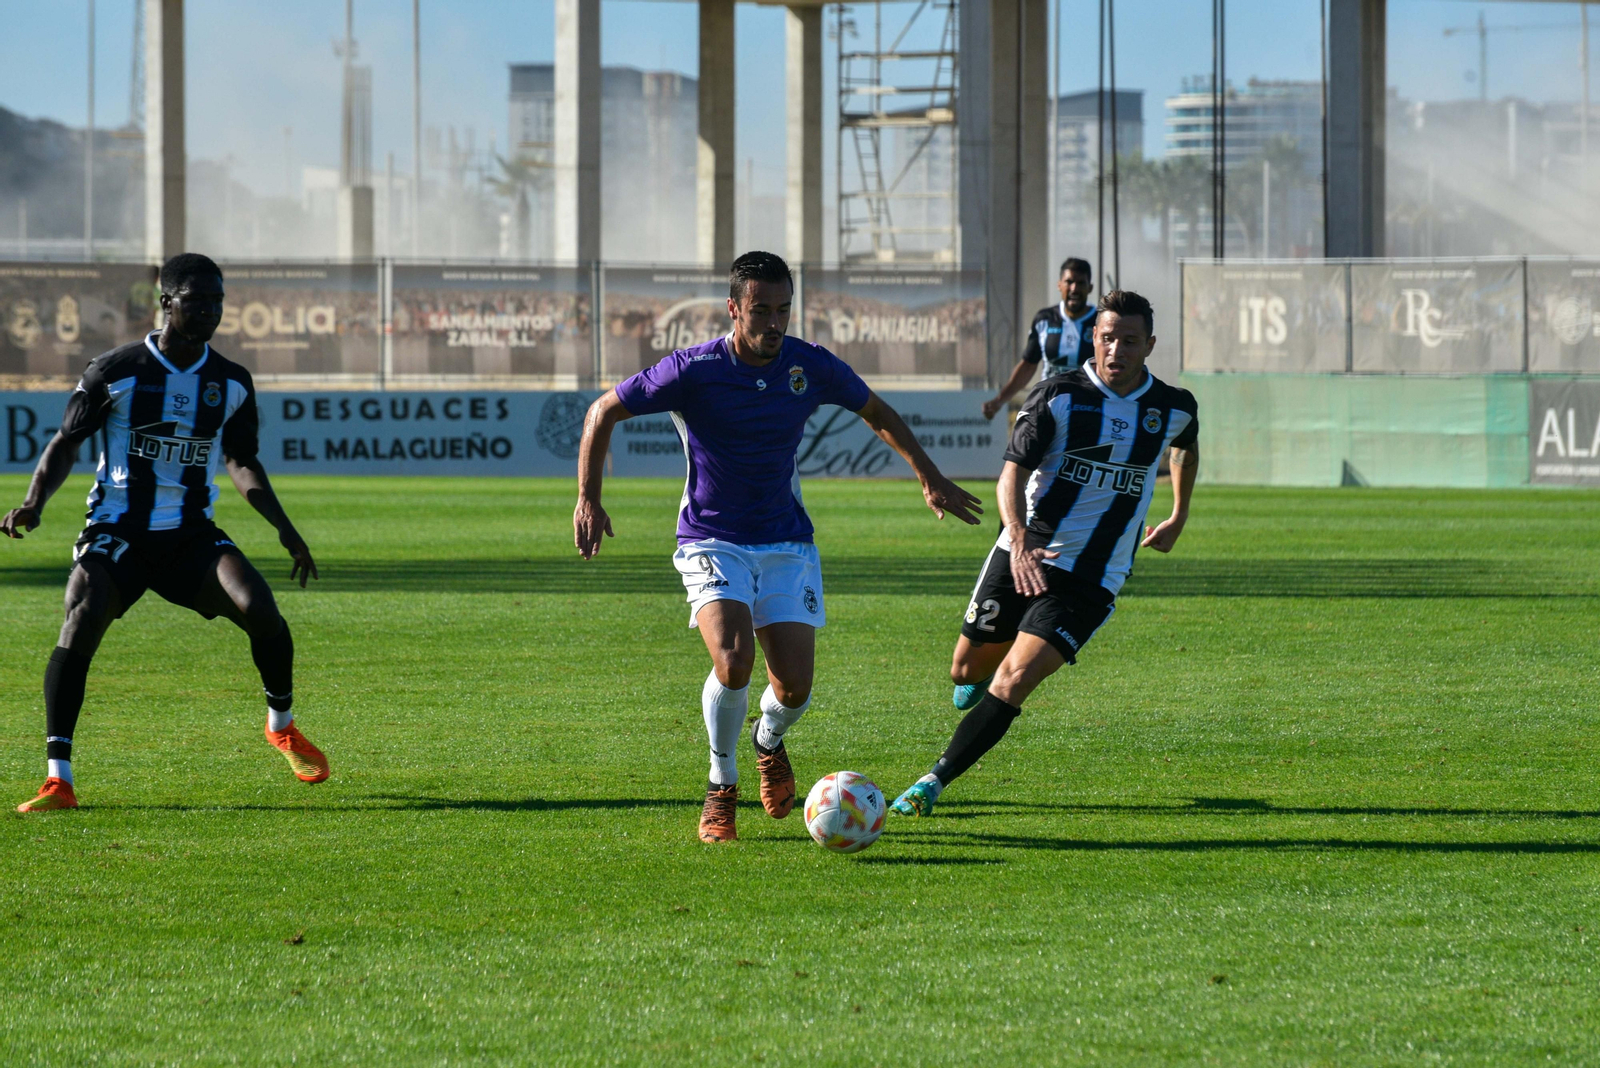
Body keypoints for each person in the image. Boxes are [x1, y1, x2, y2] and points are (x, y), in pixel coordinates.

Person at [574, 251, 982, 844]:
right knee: (734, 661)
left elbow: (874, 410)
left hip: (787, 541)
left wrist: (928, 475)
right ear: (734, 309)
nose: (773, 323)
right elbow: (603, 410)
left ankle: (769, 740)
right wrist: (589, 496)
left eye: (783, 310)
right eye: (760, 310)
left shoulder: (808, 365)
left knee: (793, 688)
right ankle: (721, 785)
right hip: (712, 537)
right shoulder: (693, 369)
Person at [1, 253, 327, 813]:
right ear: (166, 302)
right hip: (118, 530)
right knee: (82, 615)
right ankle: (59, 779)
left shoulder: (230, 382)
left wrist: (286, 530)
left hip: (189, 536)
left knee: (261, 608)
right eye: (197, 300)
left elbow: (242, 460)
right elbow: (66, 442)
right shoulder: (115, 371)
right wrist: (33, 502)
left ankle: (282, 725)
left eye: (217, 300)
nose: (209, 310)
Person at [892, 289, 1198, 817]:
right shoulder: (1057, 395)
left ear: (1149, 345)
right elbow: (1011, 474)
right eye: (1107, 338)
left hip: (1093, 578)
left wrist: (1179, 514)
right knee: (964, 672)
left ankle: (931, 783)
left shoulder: (1173, 406)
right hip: (1021, 554)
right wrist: (1019, 539)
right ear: (1093, 339)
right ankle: (983, 670)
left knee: (1014, 679)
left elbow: (1185, 446)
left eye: (1129, 341)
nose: (1116, 350)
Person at [981, 258, 1098, 421]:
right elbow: (1028, 365)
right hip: (1048, 407)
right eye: (1069, 282)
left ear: (1090, 287)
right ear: (1059, 285)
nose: (1074, 289)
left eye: (1081, 283)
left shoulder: (1100, 322)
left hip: (1086, 411)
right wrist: (999, 401)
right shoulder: (1045, 319)